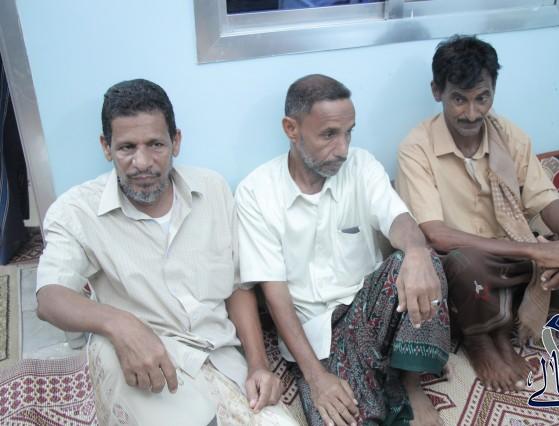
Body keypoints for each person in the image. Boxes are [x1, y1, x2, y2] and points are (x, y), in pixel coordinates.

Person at [35, 79, 297, 425]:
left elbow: (237, 287)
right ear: (106, 147)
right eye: (127, 147)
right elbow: (49, 298)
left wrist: (258, 365)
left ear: (176, 141)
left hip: (219, 356)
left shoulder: (213, 189)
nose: (142, 162)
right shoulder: (76, 210)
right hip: (145, 361)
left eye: (156, 144)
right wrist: (120, 323)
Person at [396, 35, 559, 393]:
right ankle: (481, 340)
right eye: (459, 99)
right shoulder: (416, 147)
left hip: (514, 258)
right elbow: (436, 234)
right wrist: (537, 251)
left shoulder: (509, 135)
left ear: (493, 92)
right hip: (467, 268)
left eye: (482, 98)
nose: (472, 113)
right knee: (466, 263)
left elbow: (544, 198)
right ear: (437, 91)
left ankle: (527, 323)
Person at [235, 74, 450, 426]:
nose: (343, 149)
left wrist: (416, 251)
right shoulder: (256, 193)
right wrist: (317, 379)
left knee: (421, 260)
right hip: (316, 338)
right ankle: (382, 380)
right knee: (343, 417)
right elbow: (275, 297)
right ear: (291, 128)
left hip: (370, 310)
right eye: (329, 135)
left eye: (349, 133)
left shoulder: (361, 165)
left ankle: (411, 385)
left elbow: (399, 220)